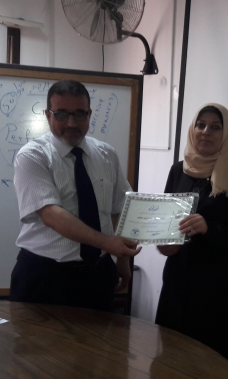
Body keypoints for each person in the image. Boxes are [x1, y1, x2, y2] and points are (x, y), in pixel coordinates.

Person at [9, 80, 141, 311]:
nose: (71, 123)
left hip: (98, 274)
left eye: (79, 114)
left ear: (89, 114)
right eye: (61, 114)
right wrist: (108, 243)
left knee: (99, 336)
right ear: (48, 115)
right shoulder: (32, 156)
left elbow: (120, 209)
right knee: (36, 337)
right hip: (45, 276)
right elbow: (51, 215)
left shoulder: (106, 154)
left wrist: (122, 259)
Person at [155, 103, 228, 375]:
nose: (206, 131)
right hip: (178, 284)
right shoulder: (178, 170)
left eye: (215, 127)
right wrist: (161, 241)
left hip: (219, 291)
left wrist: (210, 228)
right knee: (171, 362)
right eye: (201, 124)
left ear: (226, 134)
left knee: (214, 365)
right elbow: (166, 221)